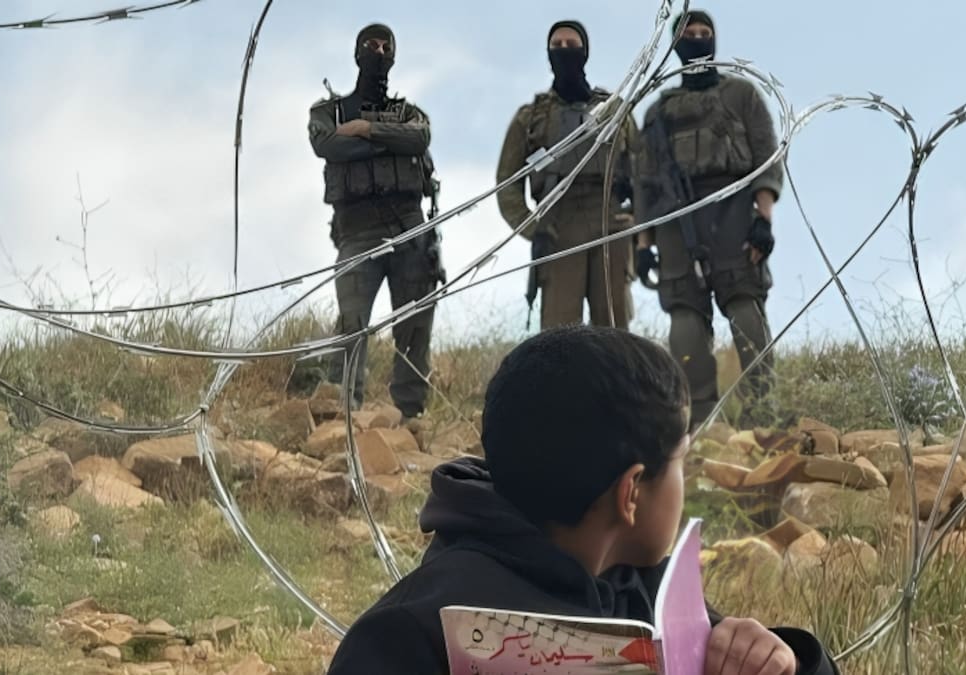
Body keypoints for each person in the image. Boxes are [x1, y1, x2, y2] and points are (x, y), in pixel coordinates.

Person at [326, 325, 840, 675]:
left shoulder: (658, 601)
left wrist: (788, 660)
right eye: (682, 460)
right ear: (631, 492)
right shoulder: (414, 634)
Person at [634, 9, 782, 430]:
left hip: (733, 208)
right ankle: (701, 422)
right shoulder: (657, 114)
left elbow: (766, 157)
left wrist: (763, 218)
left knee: (744, 304)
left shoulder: (741, 95)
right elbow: (645, 183)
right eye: (689, 34)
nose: (698, 39)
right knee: (684, 316)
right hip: (676, 219)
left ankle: (761, 414)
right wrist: (644, 246)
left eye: (705, 33)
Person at [308, 23, 445, 421]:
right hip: (356, 230)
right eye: (372, 44)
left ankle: (411, 416)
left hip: (410, 227)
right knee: (352, 322)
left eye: (386, 46)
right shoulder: (328, 112)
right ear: (357, 52)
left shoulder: (411, 114)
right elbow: (328, 144)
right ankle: (343, 412)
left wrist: (367, 129)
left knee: (415, 324)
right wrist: (389, 138)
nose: (379, 52)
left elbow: (419, 139)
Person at [495, 20, 641, 332]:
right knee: (559, 338)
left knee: (615, 335)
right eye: (556, 46)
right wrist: (536, 230)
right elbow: (507, 187)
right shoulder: (531, 117)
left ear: (585, 51)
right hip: (558, 226)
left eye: (571, 45)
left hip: (610, 220)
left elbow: (646, 172)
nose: (564, 52)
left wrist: (637, 226)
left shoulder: (615, 111)